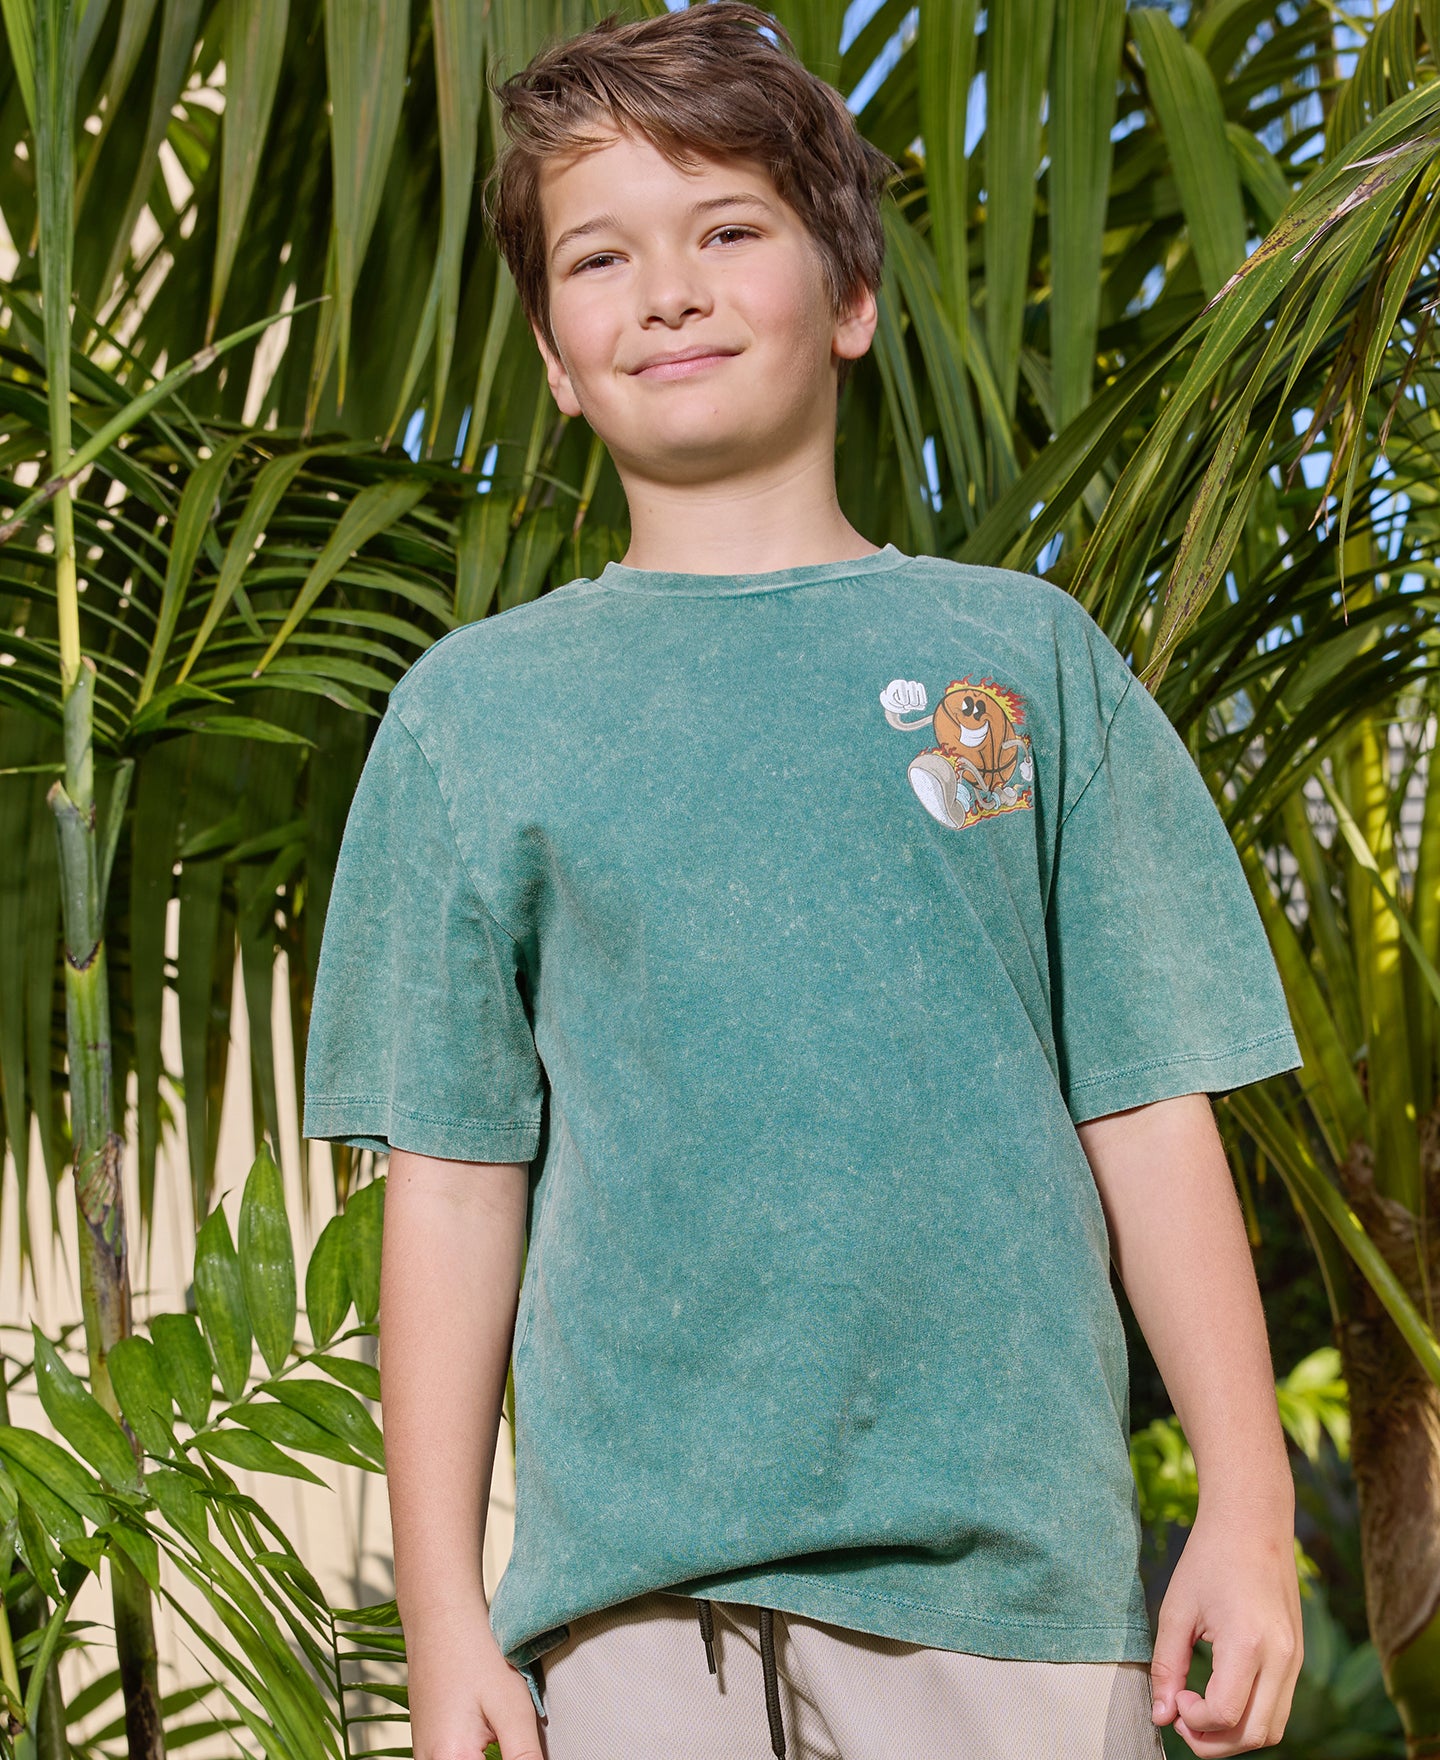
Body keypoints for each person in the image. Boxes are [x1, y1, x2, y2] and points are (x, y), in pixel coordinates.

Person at [301, 7, 1306, 1757]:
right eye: (600, 257)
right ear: (554, 357)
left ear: (849, 298)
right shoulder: (473, 717)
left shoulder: (1026, 662)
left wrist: (1249, 1502)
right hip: (634, 1623)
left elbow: (1150, 1108)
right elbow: (454, 1187)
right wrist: (447, 1614)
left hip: (1011, 1608)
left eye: (728, 230)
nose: (667, 294)